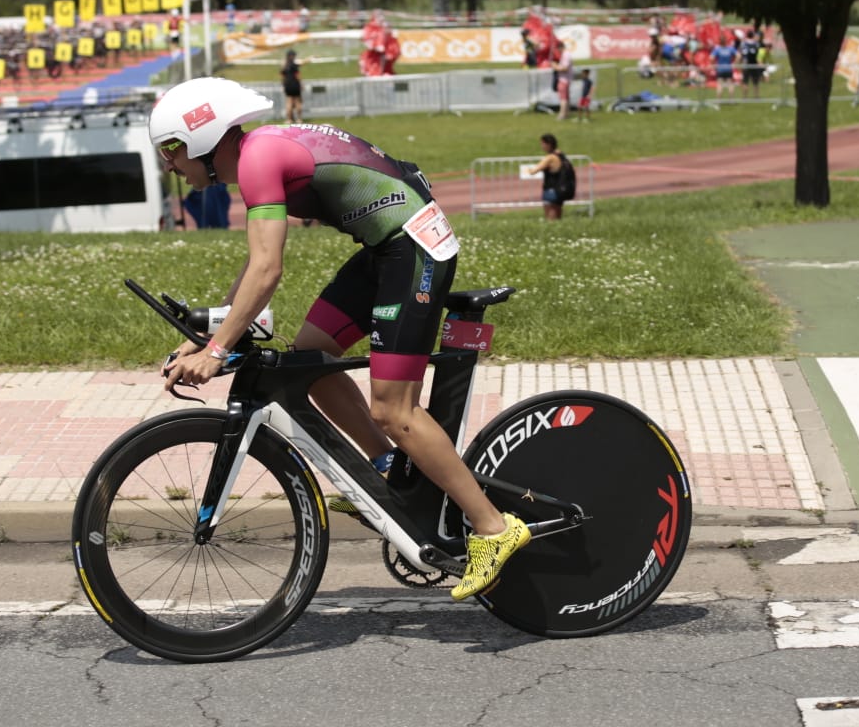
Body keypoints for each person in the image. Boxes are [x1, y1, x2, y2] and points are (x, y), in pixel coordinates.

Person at [151, 77, 530, 600]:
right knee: (312, 362)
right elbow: (253, 271)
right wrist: (207, 335)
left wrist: (217, 353)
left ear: (205, 138)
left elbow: (268, 270)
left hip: (414, 248)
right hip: (385, 249)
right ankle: (390, 475)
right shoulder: (255, 158)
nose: (169, 164)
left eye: (172, 150)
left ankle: (494, 528)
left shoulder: (258, 159)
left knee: (393, 409)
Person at [526, 133, 568, 221]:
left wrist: (527, 169)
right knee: (558, 216)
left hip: (551, 190)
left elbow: (534, 171)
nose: (541, 146)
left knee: (550, 218)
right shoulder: (560, 155)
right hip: (560, 189)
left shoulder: (550, 158)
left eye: (542, 144)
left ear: (548, 144)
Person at [280, 49, 303, 123]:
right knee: (297, 102)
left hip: (287, 85)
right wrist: (301, 84)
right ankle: (299, 119)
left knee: (289, 102)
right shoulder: (294, 64)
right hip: (295, 84)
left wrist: (283, 85)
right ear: (292, 56)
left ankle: (289, 119)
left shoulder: (284, 65)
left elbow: (282, 76)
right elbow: (297, 75)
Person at [554, 41, 574, 122]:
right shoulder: (566, 54)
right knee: (566, 97)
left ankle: (562, 114)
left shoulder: (566, 55)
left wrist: (555, 67)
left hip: (564, 79)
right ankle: (566, 113)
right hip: (567, 79)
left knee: (563, 98)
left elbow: (565, 68)